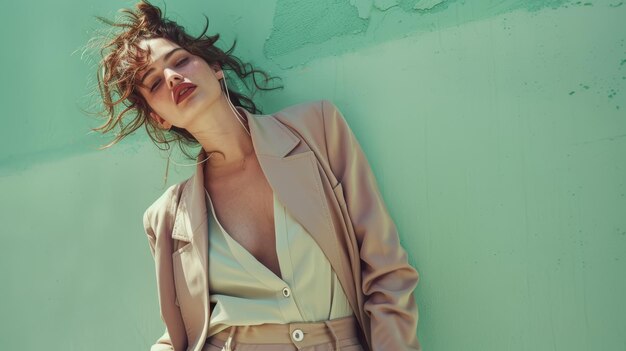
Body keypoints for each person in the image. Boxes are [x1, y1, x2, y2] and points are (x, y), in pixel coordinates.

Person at [88, 1, 422, 350]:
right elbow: (177, 338)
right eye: (154, 83)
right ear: (160, 118)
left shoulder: (317, 130)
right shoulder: (167, 218)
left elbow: (388, 274)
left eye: (180, 60)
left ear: (214, 67)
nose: (172, 77)